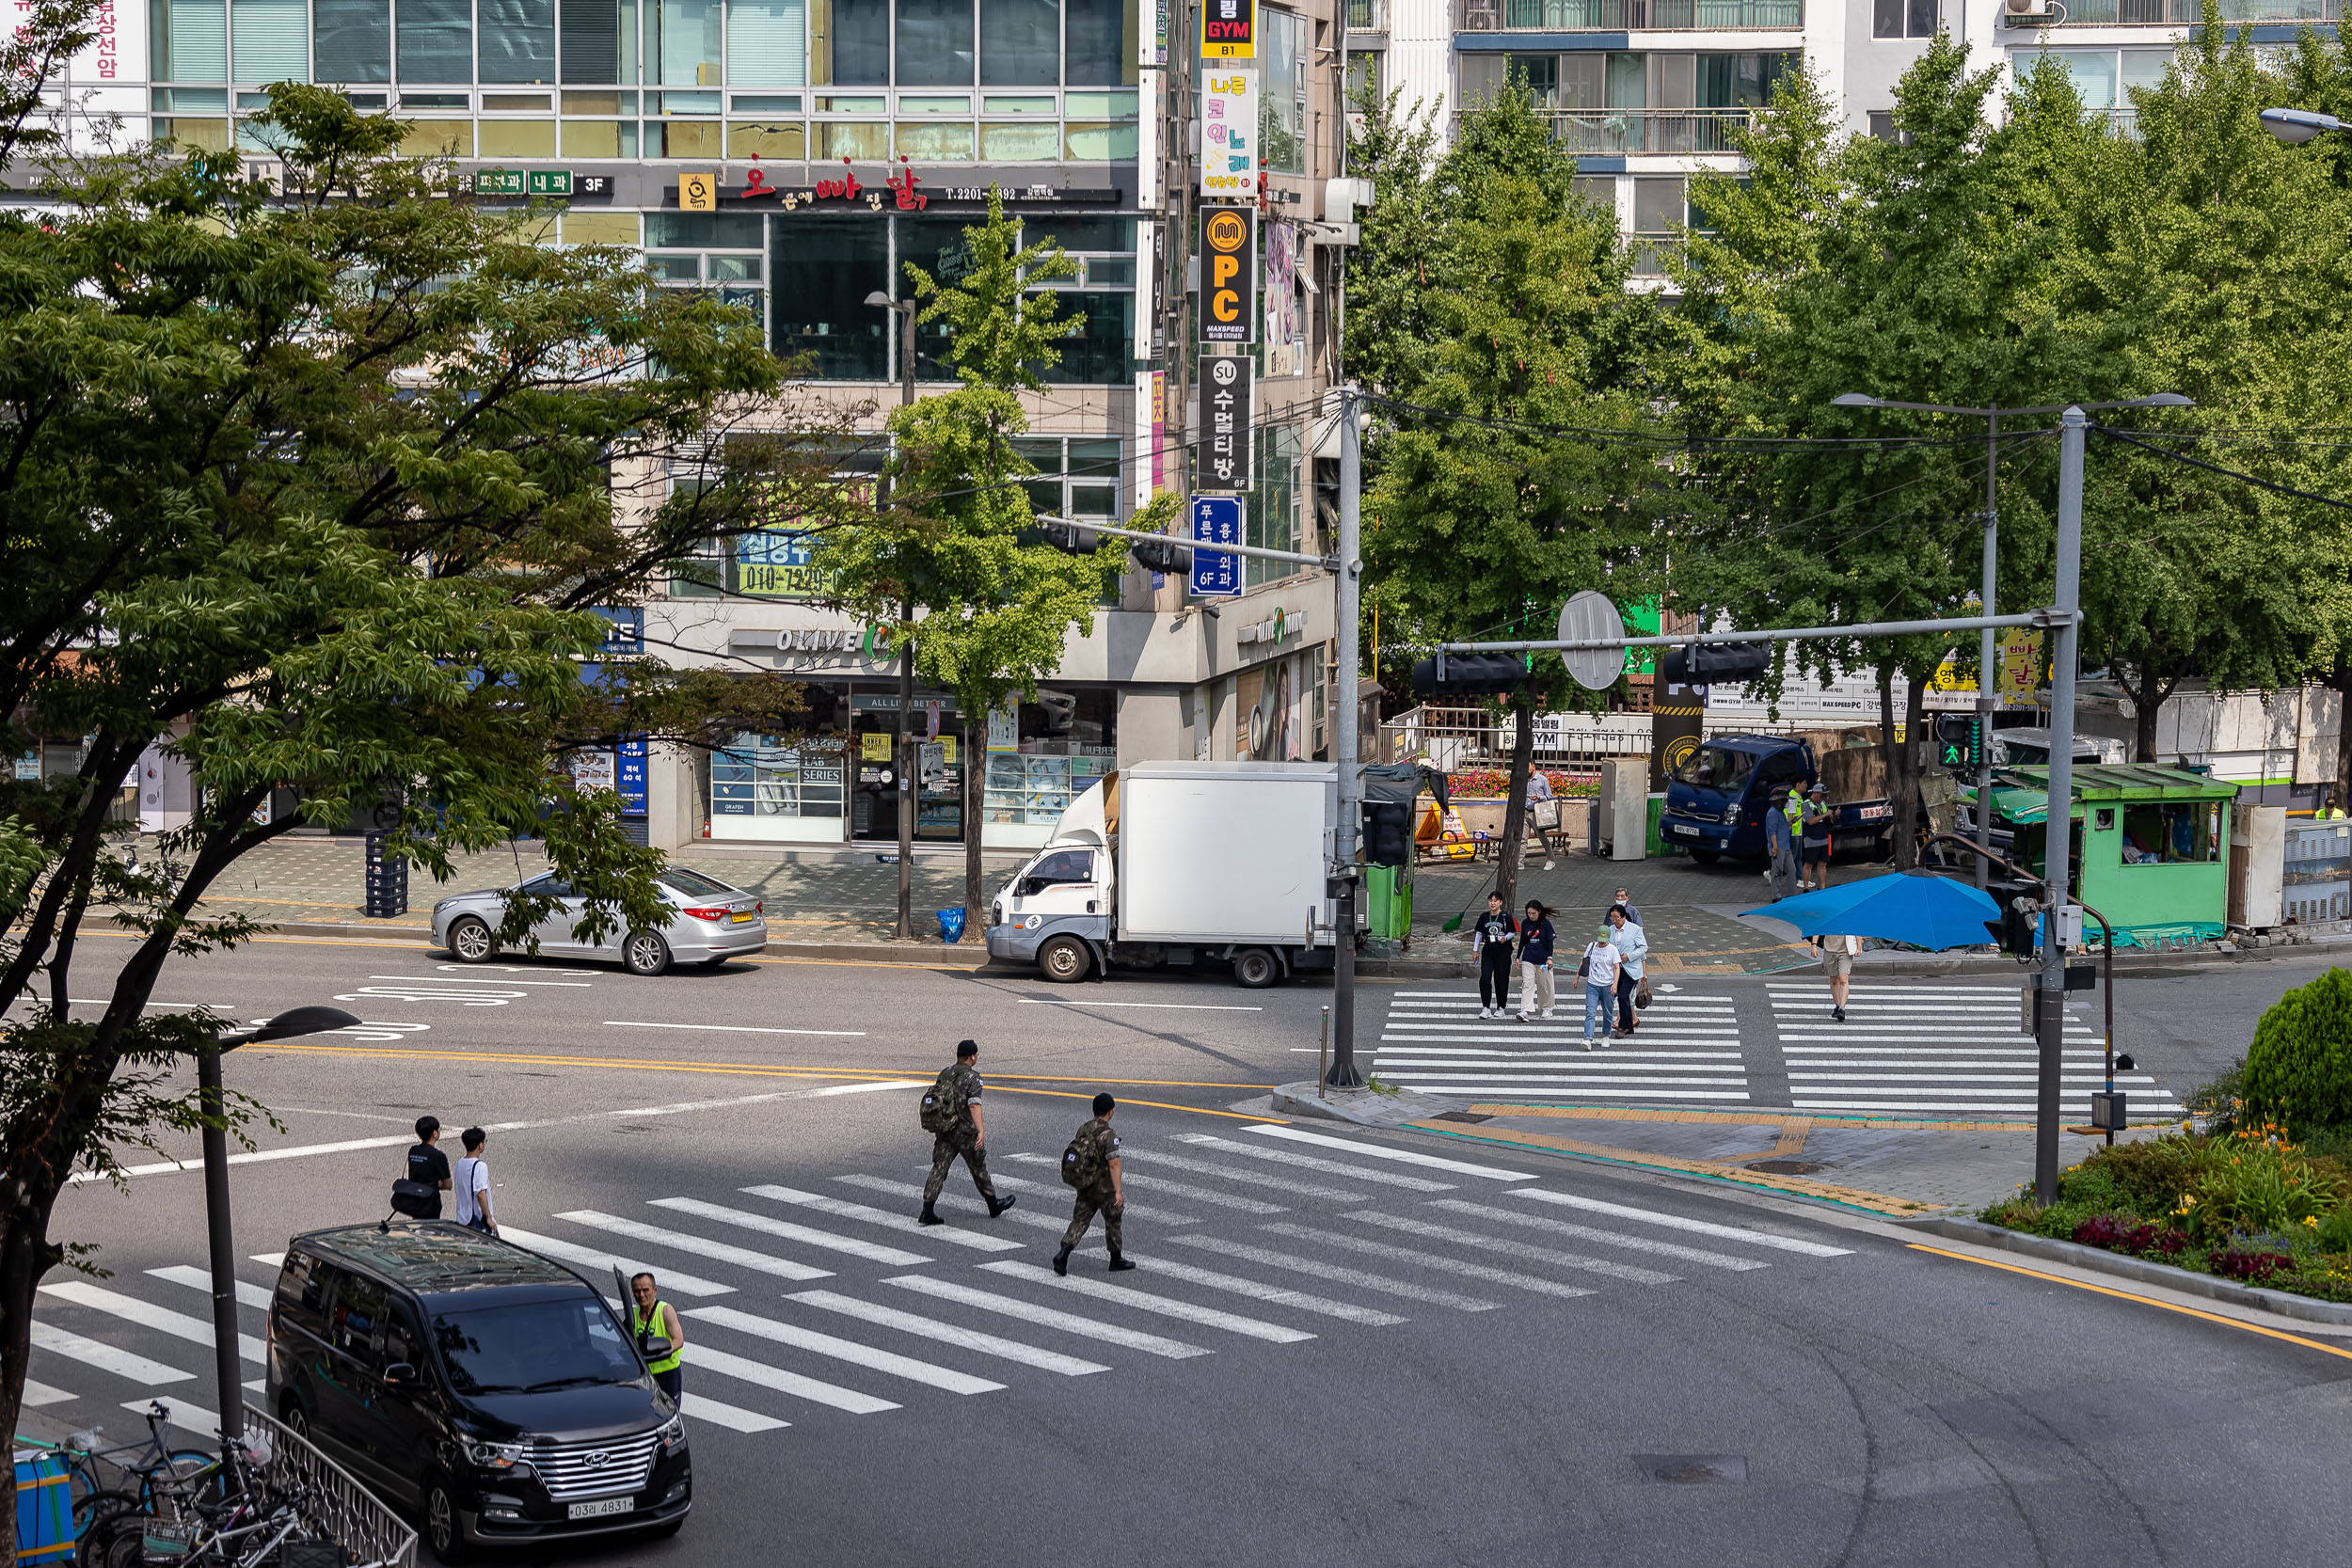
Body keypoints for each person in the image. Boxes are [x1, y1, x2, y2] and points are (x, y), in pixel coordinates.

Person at [919, 1039, 1015, 1226]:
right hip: (965, 1132)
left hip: (945, 1129)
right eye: (976, 1055)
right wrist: (980, 1130)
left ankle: (927, 1210)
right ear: (972, 1056)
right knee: (978, 1168)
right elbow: (974, 1105)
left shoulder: (945, 1073)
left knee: (939, 1168)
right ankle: (993, 1204)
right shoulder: (973, 1077)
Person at [1053, 1093, 1132, 1275]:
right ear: (1110, 1111)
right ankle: (1116, 1259)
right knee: (1113, 1219)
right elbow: (1113, 1163)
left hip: (1086, 1184)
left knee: (1080, 1220)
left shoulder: (1084, 1128)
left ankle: (1063, 1253)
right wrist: (1118, 1191)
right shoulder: (1108, 1135)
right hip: (1104, 1187)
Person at [629, 1272, 686, 1405]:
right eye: (637, 1291)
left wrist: (664, 1351)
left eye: (645, 1290)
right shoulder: (633, 1315)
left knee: (671, 1411)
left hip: (668, 1374)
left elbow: (679, 1340)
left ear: (654, 1291)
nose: (641, 1295)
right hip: (646, 1375)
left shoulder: (665, 1311)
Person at [1470, 892, 1518, 1020]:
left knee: (1501, 980)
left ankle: (1501, 1007)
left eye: (1495, 900)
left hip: (1503, 951)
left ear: (1501, 902)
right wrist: (1475, 951)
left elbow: (1513, 931)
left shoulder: (1505, 917)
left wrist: (1505, 938)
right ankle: (1486, 1007)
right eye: (1490, 900)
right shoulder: (1484, 917)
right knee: (1485, 978)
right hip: (1488, 951)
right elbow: (1479, 934)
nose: (1493, 903)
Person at [1606, 904, 1647, 1037]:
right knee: (1618, 996)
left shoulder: (1634, 929)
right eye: (1612, 917)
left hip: (1631, 969)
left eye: (1617, 917)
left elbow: (1643, 947)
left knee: (1624, 996)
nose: (1614, 920)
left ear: (1624, 917)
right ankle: (1629, 1026)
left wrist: (1629, 956)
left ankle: (1622, 1027)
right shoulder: (1610, 930)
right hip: (1616, 969)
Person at [1579, 923, 1621, 1050]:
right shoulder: (1591, 946)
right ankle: (1587, 1038)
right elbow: (1584, 961)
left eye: (1604, 941)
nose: (1602, 944)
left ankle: (1606, 1035)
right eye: (1600, 941)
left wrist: (1615, 984)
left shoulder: (1613, 949)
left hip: (1607, 985)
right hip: (1592, 985)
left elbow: (1616, 968)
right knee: (1590, 1012)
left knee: (1607, 1013)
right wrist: (1577, 977)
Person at [1515, 901, 1557, 1022]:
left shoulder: (1546, 924)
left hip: (1543, 962)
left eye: (1533, 913)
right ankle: (1525, 1009)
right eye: (1529, 913)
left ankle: (1547, 1008)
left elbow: (1550, 942)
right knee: (1527, 983)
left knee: (1544, 985)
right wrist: (1518, 956)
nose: (1531, 916)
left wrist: (1550, 958)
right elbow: (1523, 941)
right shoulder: (1525, 923)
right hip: (1528, 959)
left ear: (1539, 912)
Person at [405, 1117, 452, 1220]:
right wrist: (438, 1184)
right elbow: (448, 1184)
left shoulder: (413, 1151)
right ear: (435, 1133)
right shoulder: (438, 1156)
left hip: (415, 1200)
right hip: (431, 1203)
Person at [453, 1127, 497, 1235]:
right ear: (480, 1145)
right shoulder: (480, 1166)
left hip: (462, 1219)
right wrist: (488, 1217)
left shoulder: (459, 1164)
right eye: (484, 1142)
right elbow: (481, 1195)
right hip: (476, 1221)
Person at [1812, 931, 1859, 1022]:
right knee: (1834, 980)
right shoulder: (1827, 916)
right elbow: (1818, 928)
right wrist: (1814, 945)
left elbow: (1855, 928)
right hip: (1829, 951)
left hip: (1846, 951)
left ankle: (1842, 1009)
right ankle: (1837, 1006)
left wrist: (1859, 946)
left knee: (1843, 979)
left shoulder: (1846, 917)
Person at [1765, 787, 1798, 901]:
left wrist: (1792, 821)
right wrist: (1774, 846)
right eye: (1784, 801)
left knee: (1792, 870)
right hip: (1778, 846)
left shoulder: (1780, 813)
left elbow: (1783, 826)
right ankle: (1776, 897)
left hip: (1785, 845)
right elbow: (1772, 831)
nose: (1785, 803)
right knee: (1776, 872)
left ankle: (1791, 895)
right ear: (1778, 801)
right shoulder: (1772, 813)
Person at [1799, 784, 1834, 892]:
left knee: (1823, 863)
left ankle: (1822, 887)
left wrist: (1834, 815)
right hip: (1812, 839)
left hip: (1824, 837)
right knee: (1809, 863)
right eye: (1822, 795)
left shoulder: (1823, 803)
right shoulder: (1806, 804)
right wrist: (1825, 814)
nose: (1824, 798)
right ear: (1816, 793)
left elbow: (1829, 818)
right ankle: (1806, 887)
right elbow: (1810, 821)